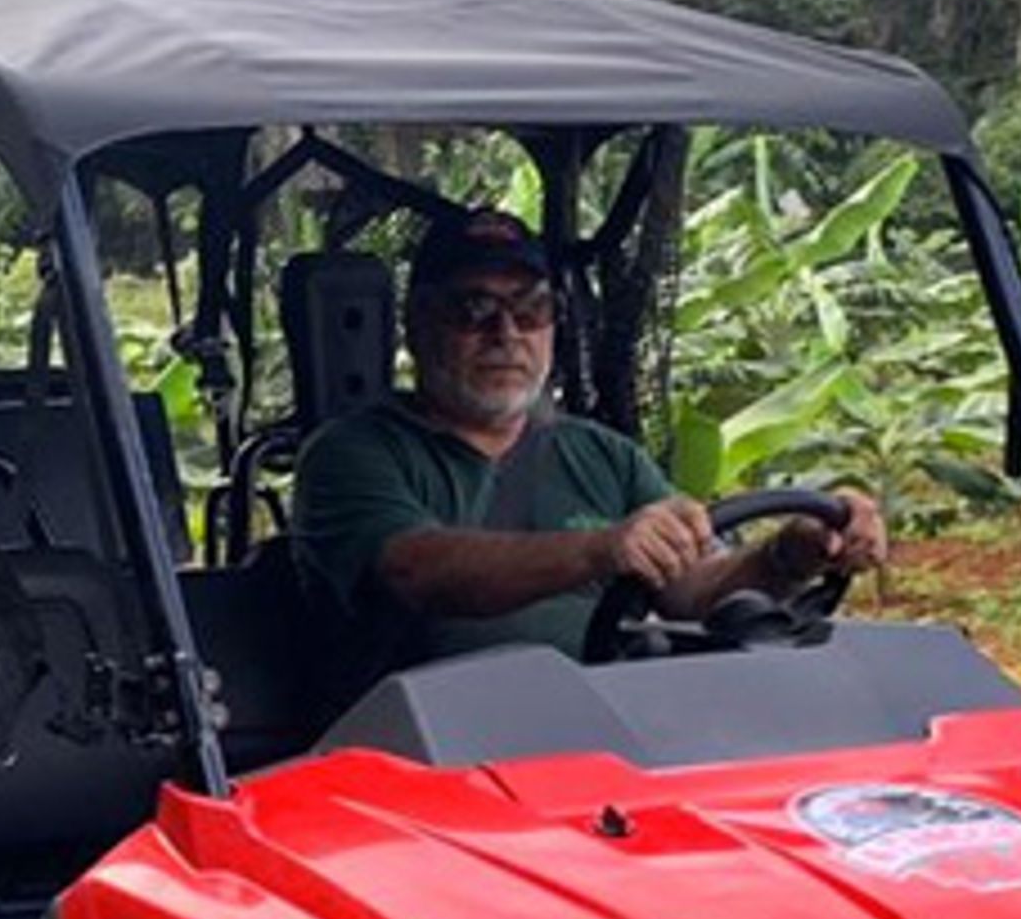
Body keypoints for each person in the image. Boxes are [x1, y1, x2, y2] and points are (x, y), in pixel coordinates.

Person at [292, 208, 886, 665]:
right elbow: (416, 572)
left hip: (602, 741)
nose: (507, 333)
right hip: (416, 761)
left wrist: (790, 554)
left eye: (530, 309)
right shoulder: (353, 453)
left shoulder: (601, 455)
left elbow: (694, 589)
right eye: (473, 309)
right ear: (419, 324)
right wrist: (597, 549)